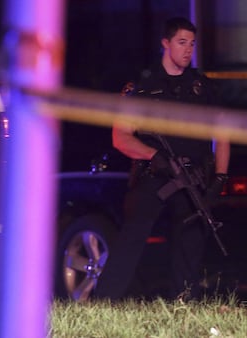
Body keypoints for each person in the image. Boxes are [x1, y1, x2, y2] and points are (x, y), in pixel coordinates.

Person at [94, 17, 230, 301]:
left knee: (190, 243)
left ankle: (183, 304)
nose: (188, 50)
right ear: (165, 44)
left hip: (193, 177)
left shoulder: (201, 87)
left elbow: (223, 133)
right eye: (182, 43)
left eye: (192, 44)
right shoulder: (142, 86)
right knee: (131, 240)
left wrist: (220, 176)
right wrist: (154, 156)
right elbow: (121, 137)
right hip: (155, 176)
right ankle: (104, 301)